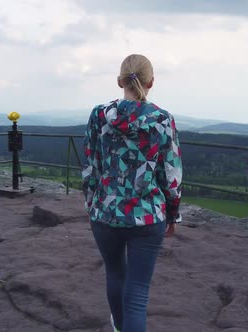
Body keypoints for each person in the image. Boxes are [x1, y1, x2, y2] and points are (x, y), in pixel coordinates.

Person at [82, 54, 182, 332]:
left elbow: (91, 167)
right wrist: (172, 214)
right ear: (151, 82)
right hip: (148, 217)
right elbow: (170, 175)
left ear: (119, 81)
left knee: (114, 276)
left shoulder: (98, 115)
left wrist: (92, 205)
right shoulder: (163, 120)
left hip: (105, 213)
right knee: (137, 293)